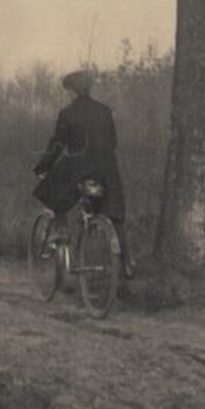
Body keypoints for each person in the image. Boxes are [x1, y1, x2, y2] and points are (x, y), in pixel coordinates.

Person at [32, 70, 135, 278]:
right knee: (114, 214)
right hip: (107, 169)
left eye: (67, 91)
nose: (67, 94)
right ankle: (127, 263)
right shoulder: (105, 111)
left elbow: (57, 145)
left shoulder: (67, 114)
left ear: (72, 91)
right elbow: (113, 142)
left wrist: (42, 167)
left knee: (49, 191)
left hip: (79, 167)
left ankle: (61, 231)